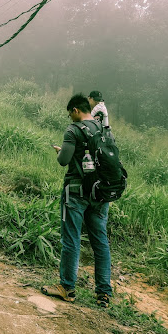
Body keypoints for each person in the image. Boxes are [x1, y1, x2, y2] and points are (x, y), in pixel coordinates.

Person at [42, 93, 112, 308]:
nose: (70, 118)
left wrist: (61, 151)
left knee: (71, 239)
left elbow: (64, 161)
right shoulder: (104, 130)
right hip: (101, 193)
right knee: (100, 242)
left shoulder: (73, 130)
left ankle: (67, 287)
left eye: (70, 114)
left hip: (76, 192)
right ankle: (103, 293)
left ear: (75, 110)